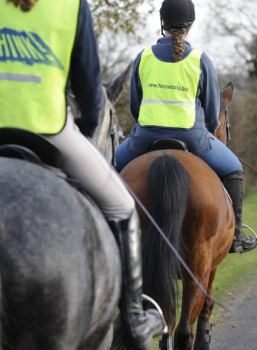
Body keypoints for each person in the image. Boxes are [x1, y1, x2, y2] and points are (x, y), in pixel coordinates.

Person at [0, 0, 165, 348]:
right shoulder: (71, 4)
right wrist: (88, 125)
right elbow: (90, 94)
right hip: (50, 130)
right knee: (121, 207)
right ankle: (134, 319)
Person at [115, 0, 257, 254]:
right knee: (234, 168)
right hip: (193, 140)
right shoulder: (200, 60)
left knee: (110, 166)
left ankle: (108, 232)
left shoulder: (143, 57)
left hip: (145, 138)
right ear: (190, 26)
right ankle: (236, 236)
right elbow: (213, 114)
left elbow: (135, 107)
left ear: (162, 24)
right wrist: (205, 130)